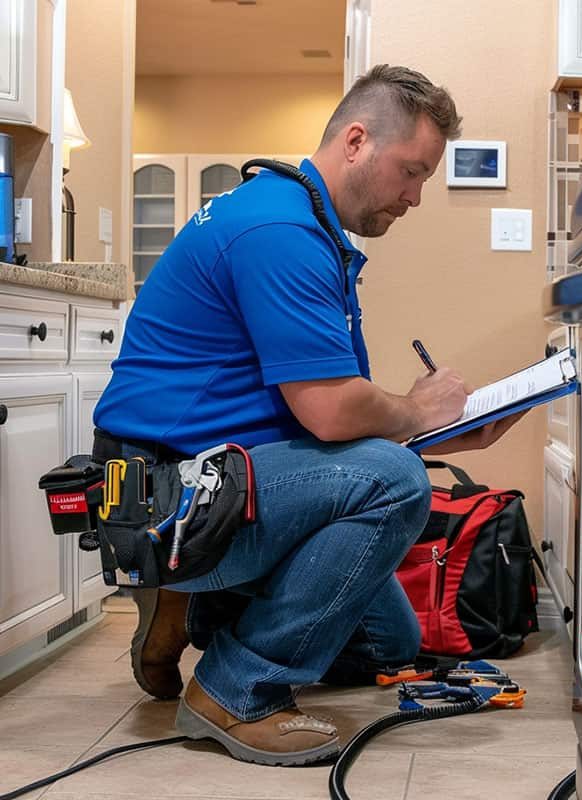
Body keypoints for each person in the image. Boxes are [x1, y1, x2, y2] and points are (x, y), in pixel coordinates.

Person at [92, 65, 524, 767]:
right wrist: (413, 415)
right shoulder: (278, 232)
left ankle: (196, 607)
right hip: (167, 497)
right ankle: (234, 689)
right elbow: (329, 414)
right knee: (395, 479)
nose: (415, 197)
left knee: (387, 645)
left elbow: (323, 410)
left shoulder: (301, 223)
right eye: (411, 172)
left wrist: (428, 425)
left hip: (214, 479)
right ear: (356, 141)